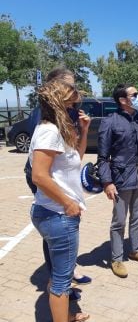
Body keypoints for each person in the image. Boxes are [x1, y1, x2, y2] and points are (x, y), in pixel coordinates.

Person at [29, 80, 91, 321]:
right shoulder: (49, 131)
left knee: (59, 272)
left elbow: (76, 159)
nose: (75, 107)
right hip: (58, 214)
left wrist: (84, 132)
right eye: (72, 103)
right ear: (59, 104)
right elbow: (39, 176)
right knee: (63, 281)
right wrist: (68, 203)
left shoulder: (57, 130)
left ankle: (64, 315)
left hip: (55, 213)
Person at [97, 84, 138, 278]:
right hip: (120, 179)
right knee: (119, 221)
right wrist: (107, 182)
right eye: (134, 95)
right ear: (122, 100)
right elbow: (102, 158)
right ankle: (117, 258)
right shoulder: (110, 122)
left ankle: (136, 249)